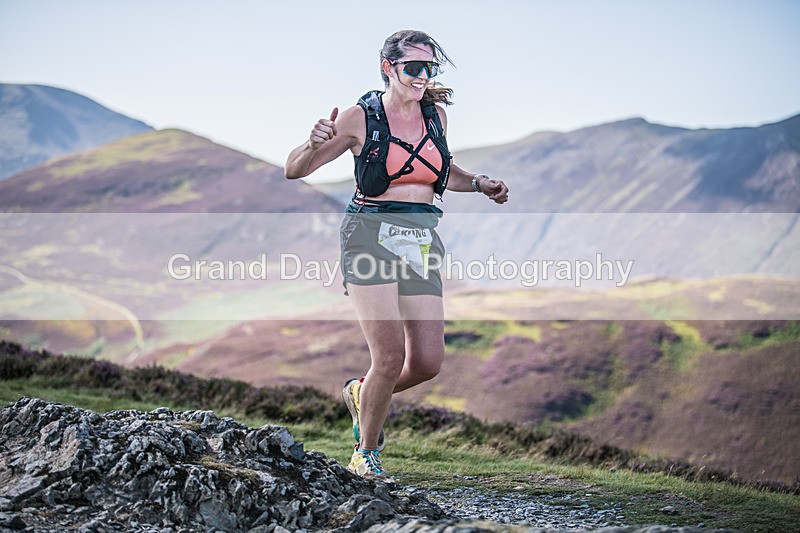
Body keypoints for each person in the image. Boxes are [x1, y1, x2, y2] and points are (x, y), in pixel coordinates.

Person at [285, 30, 509, 483]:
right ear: (388, 68)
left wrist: (479, 182)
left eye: (430, 68)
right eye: (413, 67)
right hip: (368, 235)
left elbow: (439, 170)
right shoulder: (359, 117)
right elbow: (295, 169)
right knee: (388, 357)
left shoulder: (436, 116)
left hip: (420, 238)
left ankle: (360, 392)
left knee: (427, 362)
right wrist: (312, 142)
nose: (423, 77)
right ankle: (364, 454)